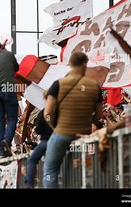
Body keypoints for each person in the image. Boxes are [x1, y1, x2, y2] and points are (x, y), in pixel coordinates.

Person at [43, 51, 103, 188]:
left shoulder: (58, 84)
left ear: (70, 64)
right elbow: (99, 114)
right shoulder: (94, 86)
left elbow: (47, 113)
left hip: (62, 133)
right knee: (88, 169)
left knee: (50, 169)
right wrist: (88, 123)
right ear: (85, 64)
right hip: (85, 134)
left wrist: (55, 127)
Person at [24, 104, 53, 188]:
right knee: (50, 166)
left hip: (45, 142)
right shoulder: (59, 112)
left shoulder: (42, 113)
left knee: (32, 160)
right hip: (56, 141)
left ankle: (29, 183)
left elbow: (39, 130)